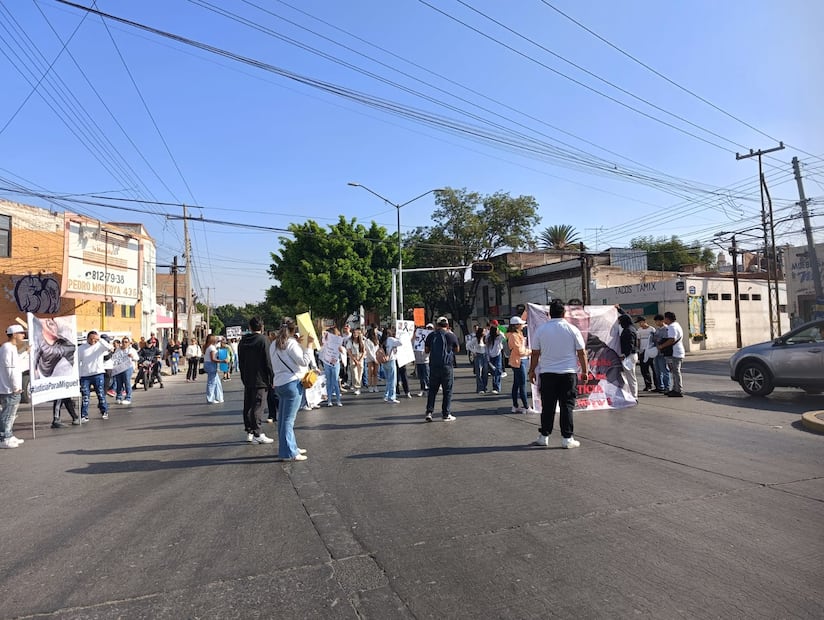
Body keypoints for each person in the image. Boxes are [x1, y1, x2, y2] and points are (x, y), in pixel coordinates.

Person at [527, 300, 588, 449]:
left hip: (547, 373)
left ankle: (544, 436)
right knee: (566, 406)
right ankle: (567, 438)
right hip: (568, 373)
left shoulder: (541, 330)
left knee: (548, 406)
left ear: (549, 314)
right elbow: (581, 352)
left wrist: (531, 370)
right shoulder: (572, 329)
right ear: (564, 313)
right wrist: (585, 371)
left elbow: (535, 354)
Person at [270, 318, 314, 461]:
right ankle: (290, 452)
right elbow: (304, 361)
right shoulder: (291, 343)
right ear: (293, 330)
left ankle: (290, 446)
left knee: (283, 419)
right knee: (288, 421)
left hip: (279, 384)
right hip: (293, 384)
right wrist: (308, 346)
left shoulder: (273, 345)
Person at [238, 317, 275, 444]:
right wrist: (272, 377)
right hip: (261, 378)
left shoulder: (243, 341)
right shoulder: (264, 340)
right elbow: (268, 361)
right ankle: (257, 433)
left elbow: (241, 361)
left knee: (248, 405)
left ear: (250, 327)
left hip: (247, 377)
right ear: (262, 326)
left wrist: (243, 375)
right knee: (258, 406)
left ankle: (249, 431)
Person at [424, 316, 459, 422]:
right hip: (447, 366)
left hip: (434, 366)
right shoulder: (451, 335)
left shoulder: (431, 336)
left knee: (432, 390)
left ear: (437, 325)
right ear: (447, 325)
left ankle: (429, 412)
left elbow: (426, 350)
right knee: (447, 390)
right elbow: (457, 349)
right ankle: (445, 414)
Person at [78, 331, 114, 421]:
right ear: (87, 339)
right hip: (85, 376)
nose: (93, 340)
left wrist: (100, 339)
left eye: (95, 339)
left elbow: (110, 347)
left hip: (98, 374)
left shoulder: (100, 346)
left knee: (101, 394)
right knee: (85, 396)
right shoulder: (81, 348)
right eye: (91, 339)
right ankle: (84, 415)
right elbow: (78, 362)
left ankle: (104, 411)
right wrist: (79, 375)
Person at [0, 325, 26, 447]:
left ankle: (8, 435)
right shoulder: (7, 348)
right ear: (14, 334)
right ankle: (4, 438)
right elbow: (10, 368)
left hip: (11, 387)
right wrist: (15, 386)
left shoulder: (12, 348)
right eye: (21, 333)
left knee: (10, 413)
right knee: (8, 414)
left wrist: (25, 353)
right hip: (9, 388)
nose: (23, 335)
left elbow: (16, 364)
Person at [507, 316, 532, 414]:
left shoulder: (516, 334)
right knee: (522, 385)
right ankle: (526, 407)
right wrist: (530, 352)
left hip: (519, 361)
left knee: (517, 384)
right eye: (521, 324)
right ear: (516, 325)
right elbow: (520, 351)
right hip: (519, 361)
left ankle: (515, 406)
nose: (522, 325)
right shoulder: (514, 336)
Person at [659, 311, 685, 397]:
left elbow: (672, 339)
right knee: (674, 371)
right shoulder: (677, 325)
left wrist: (662, 346)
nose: (664, 320)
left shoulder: (672, 327)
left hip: (675, 352)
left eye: (664, 318)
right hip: (677, 351)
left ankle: (678, 390)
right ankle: (675, 389)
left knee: (675, 372)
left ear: (667, 318)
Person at [617, 314, 639, 399]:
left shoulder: (628, 330)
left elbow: (630, 345)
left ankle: (633, 396)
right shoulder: (631, 328)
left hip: (629, 355)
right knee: (628, 376)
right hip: (631, 355)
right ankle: (631, 394)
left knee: (630, 377)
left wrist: (624, 355)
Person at [112, 336, 138, 405]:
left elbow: (137, 358)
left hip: (128, 367)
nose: (124, 343)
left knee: (127, 381)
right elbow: (115, 358)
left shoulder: (132, 350)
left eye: (126, 342)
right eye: (123, 342)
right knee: (119, 382)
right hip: (119, 368)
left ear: (129, 343)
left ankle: (128, 397)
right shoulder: (118, 349)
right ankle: (119, 397)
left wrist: (132, 356)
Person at [322, 327, 344, 407]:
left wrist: (341, 351)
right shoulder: (326, 340)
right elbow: (322, 345)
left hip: (335, 363)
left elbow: (343, 351)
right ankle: (329, 400)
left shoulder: (338, 341)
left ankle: (338, 400)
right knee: (329, 382)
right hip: (327, 362)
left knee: (335, 381)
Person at [379, 327, 402, 404]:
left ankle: (386, 395)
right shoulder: (391, 339)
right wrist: (399, 336)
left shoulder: (382, 341)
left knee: (388, 380)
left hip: (384, 361)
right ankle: (391, 397)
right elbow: (400, 343)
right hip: (391, 360)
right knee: (392, 380)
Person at [650, 315, 671, 393]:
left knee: (664, 370)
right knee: (657, 370)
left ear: (662, 321)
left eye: (657, 321)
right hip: (656, 352)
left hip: (663, 352)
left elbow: (665, 340)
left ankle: (667, 387)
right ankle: (660, 386)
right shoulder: (657, 330)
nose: (656, 323)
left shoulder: (666, 329)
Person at [203, 334, 224, 404]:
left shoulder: (207, 347)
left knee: (217, 382)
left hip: (207, 364)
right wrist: (222, 361)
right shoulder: (211, 348)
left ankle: (219, 397)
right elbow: (213, 359)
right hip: (211, 364)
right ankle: (210, 398)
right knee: (211, 382)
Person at [413, 323, 432, 397]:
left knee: (427, 376)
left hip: (425, 360)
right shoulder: (415, 340)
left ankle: (429, 390)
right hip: (418, 360)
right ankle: (422, 389)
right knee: (421, 377)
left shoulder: (427, 339)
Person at [345, 327, 365, 395]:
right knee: (354, 373)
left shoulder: (362, 341)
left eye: (356, 333)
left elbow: (364, 351)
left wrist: (360, 359)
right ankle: (356, 387)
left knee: (360, 373)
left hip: (360, 357)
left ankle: (358, 387)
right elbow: (349, 351)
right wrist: (354, 360)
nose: (355, 334)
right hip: (353, 357)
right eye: (354, 333)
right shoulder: (350, 341)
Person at [485, 320, 503, 395]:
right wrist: (487, 356)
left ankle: (497, 388)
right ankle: (494, 386)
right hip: (490, 354)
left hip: (497, 354)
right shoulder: (488, 335)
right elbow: (486, 345)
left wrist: (498, 329)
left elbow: (503, 336)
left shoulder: (499, 336)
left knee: (497, 370)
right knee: (493, 371)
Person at [470, 325, 489, 394]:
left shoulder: (485, 339)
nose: (485, 332)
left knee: (485, 372)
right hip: (478, 356)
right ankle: (480, 388)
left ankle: (485, 387)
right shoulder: (475, 339)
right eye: (484, 331)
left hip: (485, 356)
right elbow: (468, 345)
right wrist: (474, 351)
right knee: (479, 373)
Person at [364, 328, 380, 393]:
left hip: (376, 358)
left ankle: (375, 386)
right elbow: (369, 351)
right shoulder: (367, 341)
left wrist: (377, 358)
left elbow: (378, 349)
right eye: (375, 332)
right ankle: (370, 386)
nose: (376, 333)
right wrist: (374, 358)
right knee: (370, 372)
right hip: (370, 358)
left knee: (375, 373)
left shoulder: (377, 340)